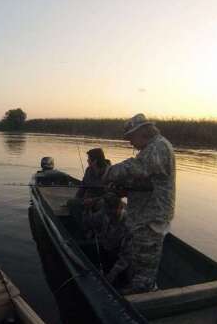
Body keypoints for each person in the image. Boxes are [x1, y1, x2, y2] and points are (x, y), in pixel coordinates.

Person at [102, 114, 175, 294]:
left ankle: (142, 300)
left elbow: (134, 168)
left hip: (151, 221)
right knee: (136, 260)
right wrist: (126, 190)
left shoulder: (158, 147)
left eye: (130, 138)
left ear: (142, 132)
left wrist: (109, 172)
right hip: (142, 219)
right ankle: (134, 288)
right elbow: (148, 182)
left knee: (145, 269)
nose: (130, 143)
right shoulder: (150, 149)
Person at [66, 148, 112, 228]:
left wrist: (93, 201)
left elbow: (111, 195)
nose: (87, 161)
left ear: (95, 161)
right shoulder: (88, 170)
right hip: (87, 199)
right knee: (72, 203)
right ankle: (82, 227)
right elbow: (82, 188)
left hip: (102, 201)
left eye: (89, 159)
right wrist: (77, 198)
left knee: (103, 205)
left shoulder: (110, 172)